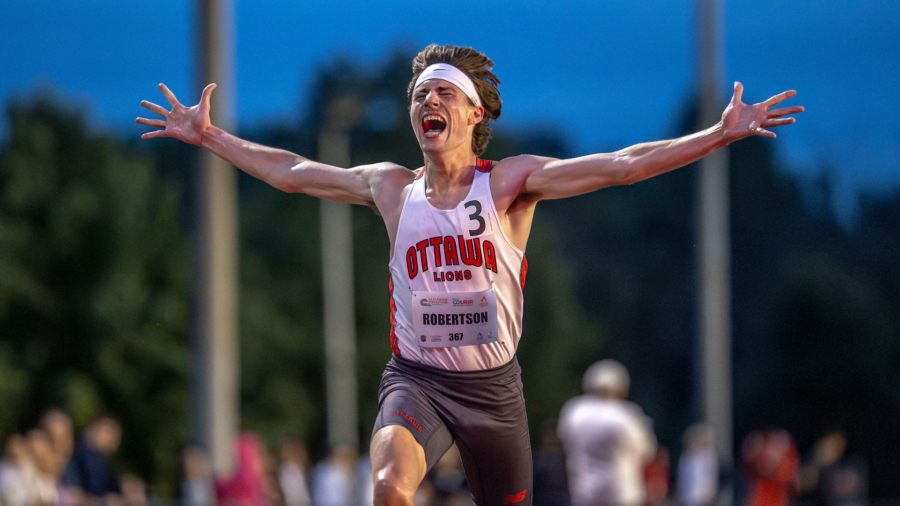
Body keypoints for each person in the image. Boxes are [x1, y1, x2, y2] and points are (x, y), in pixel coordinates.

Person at [137, 43, 803, 506]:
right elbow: (291, 173)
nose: (427, 101)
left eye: (442, 93)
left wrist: (715, 135)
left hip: (493, 392)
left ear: (473, 114)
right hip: (416, 380)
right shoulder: (390, 187)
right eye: (419, 94)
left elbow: (623, 164)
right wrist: (211, 136)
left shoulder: (510, 185)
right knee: (389, 487)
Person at [557, 360, 657, 506]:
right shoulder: (625, 414)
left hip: (582, 492)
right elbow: (647, 452)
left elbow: (563, 442)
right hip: (620, 493)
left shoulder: (573, 411)